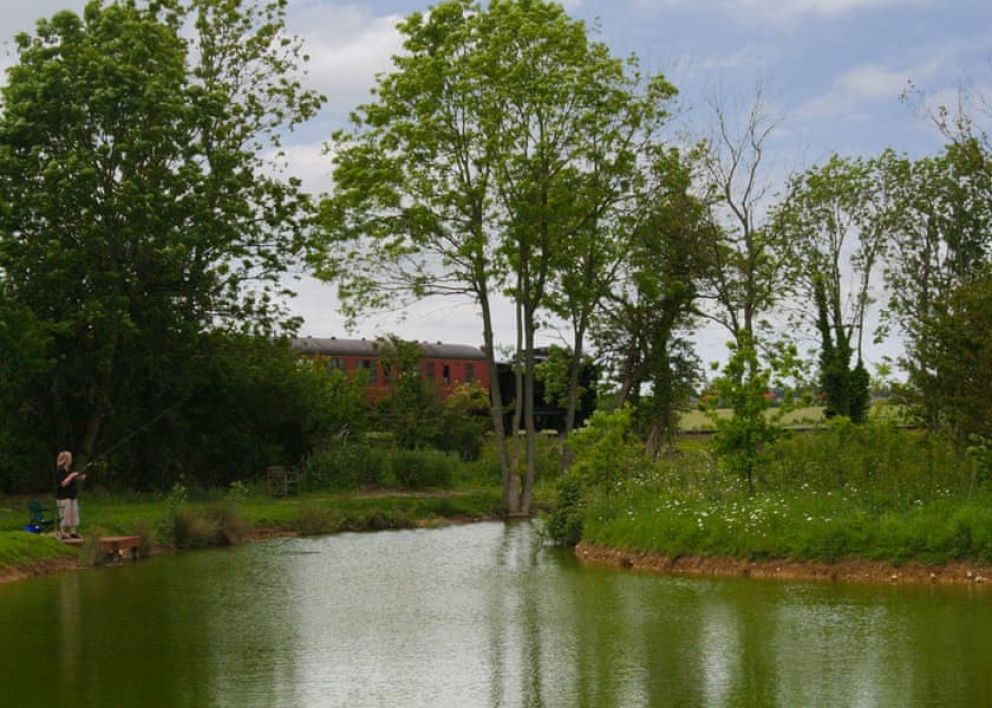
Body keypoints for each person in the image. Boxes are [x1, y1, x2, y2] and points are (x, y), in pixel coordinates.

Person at [55, 451, 86, 539]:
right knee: (65, 515)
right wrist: (72, 476)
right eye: (69, 458)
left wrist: (80, 477)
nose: (71, 460)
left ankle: (73, 532)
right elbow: (63, 483)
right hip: (63, 497)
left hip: (72, 495)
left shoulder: (69, 470)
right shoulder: (59, 471)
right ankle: (62, 533)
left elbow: (73, 479)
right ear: (65, 459)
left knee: (74, 514)